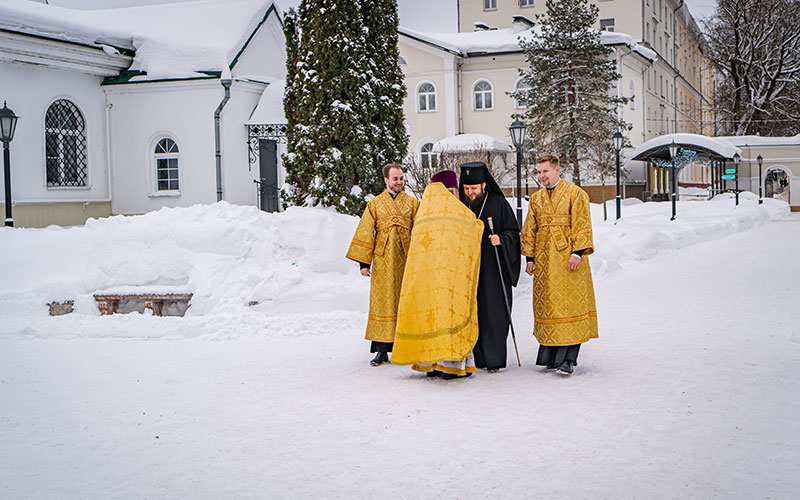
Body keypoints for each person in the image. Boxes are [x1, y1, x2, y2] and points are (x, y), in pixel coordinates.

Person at [391, 170, 483, 379]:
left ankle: (430, 364)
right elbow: (474, 228)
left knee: (429, 317)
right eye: (456, 191)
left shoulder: (424, 214)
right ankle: (451, 366)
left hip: (426, 281)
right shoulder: (457, 212)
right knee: (451, 317)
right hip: (451, 281)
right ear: (451, 191)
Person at [520, 154, 598, 375]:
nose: (542, 176)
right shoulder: (535, 199)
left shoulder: (576, 194)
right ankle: (550, 355)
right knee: (550, 306)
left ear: (557, 170)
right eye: (539, 172)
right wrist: (530, 258)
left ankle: (569, 359)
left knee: (570, 306)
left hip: (568, 261)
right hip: (545, 263)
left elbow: (582, 225)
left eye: (545, 171)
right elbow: (529, 229)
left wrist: (577, 253)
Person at [346, 164, 420, 366]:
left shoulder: (413, 204)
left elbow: (421, 231)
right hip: (383, 261)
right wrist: (363, 262)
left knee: (405, 302)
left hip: (407, 261)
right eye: (395, 179)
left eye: (401, 178)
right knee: (383, 303)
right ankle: (381, 350)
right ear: (386, 180)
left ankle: (405, 347)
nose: (399, 182)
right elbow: (366, 231)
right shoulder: (375, 204)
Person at [459, 161, 520, 372]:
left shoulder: (499, 204)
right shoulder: (461, 206)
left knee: (493, 312)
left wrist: (501, 239)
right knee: (473, 313)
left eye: (474, 188)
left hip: (494, 270)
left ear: (484, 185)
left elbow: (514, 233)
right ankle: (476, 358)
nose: (470, 193)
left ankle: (494, 359)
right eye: (467, 189)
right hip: (469, 271)